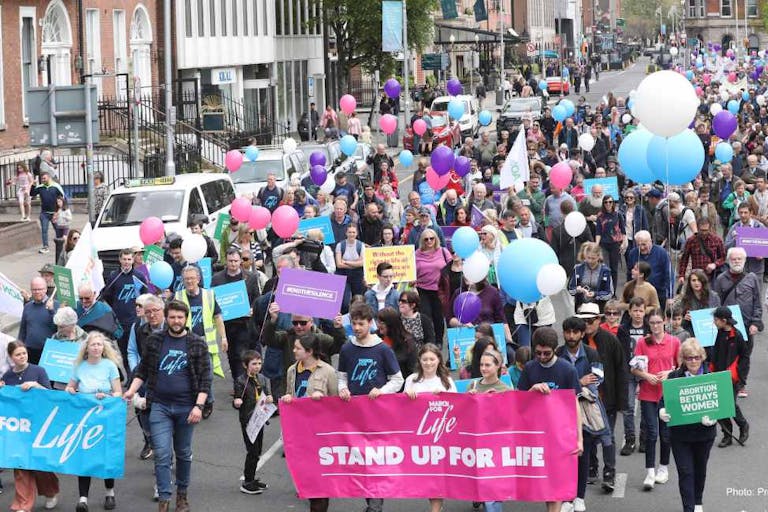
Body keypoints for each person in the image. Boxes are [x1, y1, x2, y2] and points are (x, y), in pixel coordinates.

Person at [123, 300, 212, 512]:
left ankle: (182, 495)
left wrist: (198, 407)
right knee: (162, 453)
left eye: (180, 317)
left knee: (182, 453)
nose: (176, 321)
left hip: (186, 408)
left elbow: (205, 380)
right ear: (166, 317)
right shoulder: (155, 341)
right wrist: (131, 391)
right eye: (172, 317)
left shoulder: (197, 343)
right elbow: (142, 371)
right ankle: (164, 499)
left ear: (186, 319)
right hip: (160, 406)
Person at [337, 304, 404, 512]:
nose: (357, 328)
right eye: (354, 323)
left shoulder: (382, 349)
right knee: (358, 459)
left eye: (361, 324)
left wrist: (382, 391)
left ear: (370, 324)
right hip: (354, 413)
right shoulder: (347, 348)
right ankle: (370, 501)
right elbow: (342, 376)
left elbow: (397, 379)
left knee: (374, 458)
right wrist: (342, 388)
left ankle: (375, 504)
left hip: (377, 413)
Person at [517, 328, 583, 512]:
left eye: (547, 353)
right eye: (538, 353)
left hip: (560, 434)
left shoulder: (567, 369)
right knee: (546, 487)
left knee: (555, 487)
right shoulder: (530, 368)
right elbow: (518, 403)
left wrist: (579, 439)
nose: (542, 356)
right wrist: (533, 390)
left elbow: (575, 405)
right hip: (537, 435)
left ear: (555, 349)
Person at [281, 334, 339, 512]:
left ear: (309, 352)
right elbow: (291, 393)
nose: (294, 350)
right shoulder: (292, 370)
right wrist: (288, 398)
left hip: (320, 432)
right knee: (305, 473)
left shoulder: (327, 371)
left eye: (297, 348)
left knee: (319, 480)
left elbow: (336, 402)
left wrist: (322, 400)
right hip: (300, 431)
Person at [0, 340, 60, 511]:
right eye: (18, 354)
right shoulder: (8, 376)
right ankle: (23, 504)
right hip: (18, 427)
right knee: (20, 464)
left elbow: (50, 395)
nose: (22, 356)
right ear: (11, 357)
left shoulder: (38, 371)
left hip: (38, 424)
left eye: (24, 353)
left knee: (39, 464)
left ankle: (51, 491)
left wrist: (36, 385)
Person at [66, 332, 123, 512]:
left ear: (103, 347)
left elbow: (118, 393)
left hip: (106, 418)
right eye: (93, 345)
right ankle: (83, 498)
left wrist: (106, 396)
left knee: (106, 455)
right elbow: (70, 386)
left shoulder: (110, 366)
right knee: (85, 456)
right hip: (85, 420)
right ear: (87, 348)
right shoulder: (79, 367)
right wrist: (70, 390)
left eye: (99, 344)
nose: (96, 347)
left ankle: (109, 493)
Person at [659, 338, 718, 512]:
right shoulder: (673, 377)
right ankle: (688, 508)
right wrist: (662, 412)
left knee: (700, 471)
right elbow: (663, 402)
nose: (693, 361)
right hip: (680, 435)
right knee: (685, 472)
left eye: (696, 357)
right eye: (688, 358)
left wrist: (714, 417)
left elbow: (719, 404)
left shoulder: (711, 377)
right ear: (683, 359)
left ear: (702, 357)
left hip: (704, 435)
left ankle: (697, 502)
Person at [573, 303, 627, 492]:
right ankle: (592, 467)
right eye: (583, 321)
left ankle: (609, 473)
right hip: (584, 400)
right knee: (588, 436)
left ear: (598, 320)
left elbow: (621, 369)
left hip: (607, 398)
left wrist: (622, 401)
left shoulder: (611, 341)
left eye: (590, 320)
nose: (587, 325)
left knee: (607, 437)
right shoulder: (576, 342)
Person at [558, 316, 606, 512]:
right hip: (561, 411)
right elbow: (559, 383)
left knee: (583, 452)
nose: (571, 336)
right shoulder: (557, 353)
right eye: (568, 332)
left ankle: (579, 496)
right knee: (563, 455)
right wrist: (579, 380)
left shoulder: (592, 353)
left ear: (582, 333)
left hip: (584, 410)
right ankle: (566, 496)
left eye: (575, 332)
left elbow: (597, 380)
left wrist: (578, 383)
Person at [403, 343, 457, 512]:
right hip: (419, 434)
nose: (428, 363)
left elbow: (458, 405)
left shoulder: (446, 381)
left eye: (432, 359)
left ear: (438, 360)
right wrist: (407, 396)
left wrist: (443, 396)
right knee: (426, 473)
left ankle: (436, 507)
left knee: (437, 472)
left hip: (440, 434)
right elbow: (401, 408)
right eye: (425, 359)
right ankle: (435, 503)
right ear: (419, 360)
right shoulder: (411, 379)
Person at [631, 308, 680, 491]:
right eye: (652, 323)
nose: (656, 326)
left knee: (666, 434)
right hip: (648, 393)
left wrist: (669, 372)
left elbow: (682, 366)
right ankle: (650, 471)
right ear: (648, 324)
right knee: (651, 433)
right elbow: (634, 368)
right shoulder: (643, 343)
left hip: (668, 394)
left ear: (665, 322)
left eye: (659, 322)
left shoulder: (674, 341)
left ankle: (663, 468)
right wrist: (645, 375)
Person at [174, 266, 227, 419]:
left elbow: (217, 317)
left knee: (206, 375)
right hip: (185, 342)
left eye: (192, 278)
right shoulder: (178, 296)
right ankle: (195, 402)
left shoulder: (208, 295)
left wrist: (223, 337)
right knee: (189, 374)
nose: (189, 281)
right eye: (186, 279)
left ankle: (208, 401)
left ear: (198, 279)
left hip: (206, 343)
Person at [262, 302, 346, 400]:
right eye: (295, 323)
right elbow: (269, 339)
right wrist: (273, 320)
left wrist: (338, 328)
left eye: (303, 323)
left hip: (319, 393)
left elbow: (340, 346)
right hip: (295, 390)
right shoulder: (287, 337)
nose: (298, 326)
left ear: (311, 321)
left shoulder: (322, 339)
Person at [712, 247, 761, 397]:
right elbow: (716, 302)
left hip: (746, 326)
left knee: (744, 356)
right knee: (726, 355)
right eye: (733, 259)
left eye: (739, 259)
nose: (736, 261)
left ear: (745, 260)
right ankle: (726, 383)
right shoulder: (720, 279)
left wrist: (756, 323)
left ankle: (741, 385)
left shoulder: (752, 278)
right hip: (727, 327)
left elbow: (757, 302)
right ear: (728, 261)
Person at [211, 248, 262, 386]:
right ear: (226, 262)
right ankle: (237, 380)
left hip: (245, 323)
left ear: (240, 261)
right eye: (230, 261)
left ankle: (246, 384)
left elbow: (256, 297)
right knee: (232, 355)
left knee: (242, 353)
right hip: (227, 324)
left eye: (235, 261)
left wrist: (252, 308)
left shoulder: (250, 277)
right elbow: (212, 300)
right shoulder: (217, 278)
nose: (233, 264)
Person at [233, 350, 273, 494]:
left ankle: (252, 477)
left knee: (258, 450)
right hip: (248, 420)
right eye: (253, 364)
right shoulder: (240, 381)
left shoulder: (263, 378)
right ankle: (247, 482)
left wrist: (269, 398)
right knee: (252, 451)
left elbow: (268, 394)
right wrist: (237, 402)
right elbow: (237, 399)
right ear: (245, 365)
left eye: (259, 363)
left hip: (260, 418)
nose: (257, 366)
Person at [710, 306, 750, 447]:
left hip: (732, 378)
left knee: (730, 404)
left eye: (715, 319)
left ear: (724, 320)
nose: (714, 322)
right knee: (720, 405)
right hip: (719, 375)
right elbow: (715, 353)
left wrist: (740, 374)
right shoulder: (720, 333)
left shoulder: (737, 335)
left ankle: (743, 425)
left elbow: (745, 356)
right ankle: (727, 434)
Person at [101, 248, 147, 365]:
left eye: (129, 259)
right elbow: (107, 295)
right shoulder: (114, 276)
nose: (126, 262)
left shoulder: (139, 276)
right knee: (124, 350)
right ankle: (129, 374)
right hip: (120, 320)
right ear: (120, 260)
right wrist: (117, 306)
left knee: (138, 348)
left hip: (135, 319)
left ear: (133, 260)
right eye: (124, 259)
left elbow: (145, 296)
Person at [415, 229, 452, 346]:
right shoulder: (416, 254)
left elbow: (452, 266)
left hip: (440, 290)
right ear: (422, 241)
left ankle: (439, 340)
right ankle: (429, 341)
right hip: (422, 289)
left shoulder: (443, 252)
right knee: (425, 315)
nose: (429, 241)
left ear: (436, 239)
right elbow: (411, 271)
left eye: (432, 238)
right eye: (426, 239)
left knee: (438, 316)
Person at [626, 231, 672, 308]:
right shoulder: (633, 253)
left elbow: (669, 274)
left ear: (650, 241)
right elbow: (629, 274)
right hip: (639, 293)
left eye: (644, 244)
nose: (641, 248)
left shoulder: (661, 253)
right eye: (638, 245)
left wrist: (670, 296)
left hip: (659, 293)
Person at [18, 276, 58, 364]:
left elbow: (58, 327)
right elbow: (23, 329)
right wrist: (19, 346)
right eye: (34, 289)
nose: (37, 292)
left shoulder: (55, 305)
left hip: (48, 351)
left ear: (46, 289)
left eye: (40, 289)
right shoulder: (28, 306)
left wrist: (51, 311)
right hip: (29, 351)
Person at [677, 218, 726, 283]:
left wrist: (715, 264)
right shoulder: (691, 241)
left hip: (712, 276)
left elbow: (723, 257)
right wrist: (681, 275)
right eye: (701, 230)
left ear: (710, 228)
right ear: (697, 228)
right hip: (697, 276)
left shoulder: (716, 240)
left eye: (706, 230)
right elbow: (684, 259)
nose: (704, 233)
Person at [569, 242, 614, 310]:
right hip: (580, 307)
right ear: (585, 256)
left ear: (598, 257)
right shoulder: (577, 268)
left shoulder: (606, 271)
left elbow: (609, 293)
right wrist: (578, 290)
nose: (590, 261)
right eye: (588, 258)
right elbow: (570, 289)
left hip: (599, 308)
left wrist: (595, 294)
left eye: (593, 258)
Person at [595, 195, 626, 289]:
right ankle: (606, 288)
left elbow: (623, 230)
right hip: (604, 244)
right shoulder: (600, 216)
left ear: (613, 203)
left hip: (615, 244)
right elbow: (598, 232)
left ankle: (613, 291)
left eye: (610, 202)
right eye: (606, 202)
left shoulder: (618, 214)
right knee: (605, 268)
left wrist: (624, 242)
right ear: (603, 204)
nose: (608, 204)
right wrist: (596, 246)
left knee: (614, 269)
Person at [30, 170, 64, 254]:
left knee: (58, 230)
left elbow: (62, 198)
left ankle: (61, 246)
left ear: (49, 177)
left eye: (44, 178)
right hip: (44, 213)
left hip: (55, 213)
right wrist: (33, 185)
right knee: (44, 230)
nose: (43, 180)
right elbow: (32, 193)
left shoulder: (56, 187)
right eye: (42, 179)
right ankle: (45, 247)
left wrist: (59, 211)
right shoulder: (40, 187)